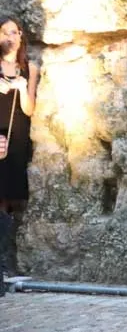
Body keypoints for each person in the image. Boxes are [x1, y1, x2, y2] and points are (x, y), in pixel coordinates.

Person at [0, 16, 38, 296]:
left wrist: (23, 87)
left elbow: (29, 109)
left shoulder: (30, 68)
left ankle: (4, 263)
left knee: (7, 198)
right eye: (4, 33)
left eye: (14, 32)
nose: (10, 37)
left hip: (16, 138)